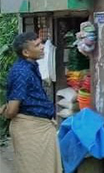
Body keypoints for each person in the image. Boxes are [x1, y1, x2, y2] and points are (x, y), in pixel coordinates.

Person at [0, 32, 62, 173]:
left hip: (39, 127)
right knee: (33, 167)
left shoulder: (30, 67)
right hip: (30, 129)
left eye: (41, 43)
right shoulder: (22, 72)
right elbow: (12, 111)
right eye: (37, 45)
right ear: (26, 52)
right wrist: (6, 110)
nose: (42, 47)